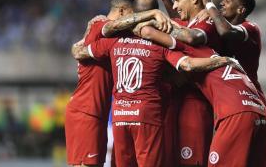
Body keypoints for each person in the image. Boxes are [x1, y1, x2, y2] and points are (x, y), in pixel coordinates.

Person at [71, 25, 242, 167]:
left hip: (120, 116)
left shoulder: (113, 42)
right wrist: (224, 60)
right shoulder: (159, 46)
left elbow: (79, 52)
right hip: (146, 115)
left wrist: (89, 30)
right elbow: (188, 65)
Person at [134, 22, 266, 167]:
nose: (172, 81)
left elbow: (147, 31)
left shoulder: (187, 48)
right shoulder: (210, 53)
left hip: (237, 111)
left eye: (169, 74)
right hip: (259, 110)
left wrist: (154, 15)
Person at [143, 0, 222, 166]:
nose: (175, 5)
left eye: (178, 0)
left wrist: (153, 25)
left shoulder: (210, 20)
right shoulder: (191, 22)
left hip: (195, 104)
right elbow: (181, 26)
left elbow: (190, 36)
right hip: (176, 101)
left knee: (190, 161)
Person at [64, 0, 137, 167]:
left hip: (93, 112)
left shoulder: (101, 32)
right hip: (86, 111)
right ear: (122, 11)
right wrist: (152, 14)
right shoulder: (101, 26)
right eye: (132, 13)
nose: (133, 19)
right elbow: (112, 25)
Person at [199, 0, 266, 107]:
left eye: (228, 1)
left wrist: (209, 4)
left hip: (250, 99)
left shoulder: (251, 28)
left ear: (240, 10)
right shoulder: (216, 27)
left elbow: (226, 31)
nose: (221, 3)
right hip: (227, 98)